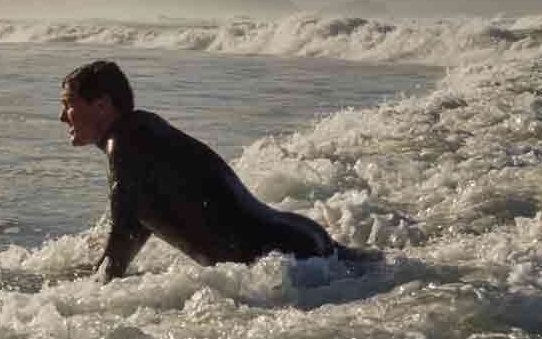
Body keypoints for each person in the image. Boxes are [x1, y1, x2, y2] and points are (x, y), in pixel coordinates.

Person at [60, 59, 377, 283]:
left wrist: (69, 302)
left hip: (287, 257)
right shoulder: (142, 135)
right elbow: (137, 226)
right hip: (295, 242)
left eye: (69, 103)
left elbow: (121, 243)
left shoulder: (127, 145)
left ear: (101, 105)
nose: (63, 117)